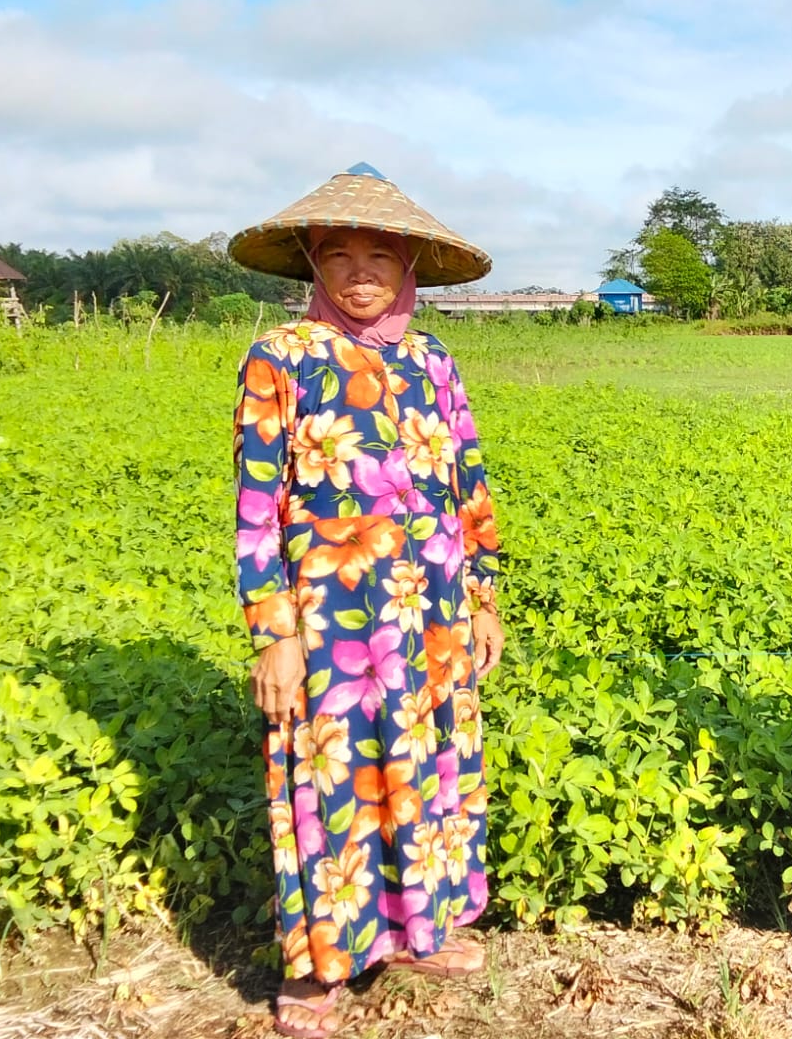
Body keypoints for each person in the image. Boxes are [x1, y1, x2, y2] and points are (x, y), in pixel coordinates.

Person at [229, 164, 504, 1039]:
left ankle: (419, 931)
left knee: (424, 765)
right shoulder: (282, 358)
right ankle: (320, 965)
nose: (359, 272)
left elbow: (470, 484)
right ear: (310, 265)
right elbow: (255, 507)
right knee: (329, 775)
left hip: (428, 611)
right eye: (338, 254)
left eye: (378, 255)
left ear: (410, 265)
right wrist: (272, 632)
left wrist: (484, 598)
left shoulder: (433, 361)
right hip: (330, 621)